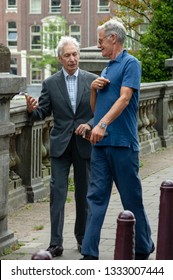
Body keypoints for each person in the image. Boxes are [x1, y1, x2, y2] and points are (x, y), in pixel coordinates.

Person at [80, 18, 155, 260]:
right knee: (95, 198)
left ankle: (143, 246)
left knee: (131, 197)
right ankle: (89, 253)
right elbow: (96, 110)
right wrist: (93, 90)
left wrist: (101, 125)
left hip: (123, 144)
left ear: (114, 38)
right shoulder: (105, 69)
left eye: (101, 39)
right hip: (100, 145)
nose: (98, 44)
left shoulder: (131, 64)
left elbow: (124, 99)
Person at [25, 36, 98, 257]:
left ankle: (83, 238)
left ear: (79, 56)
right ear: (59, 59)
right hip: (59, 147)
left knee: (83, 194)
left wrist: (90, 125)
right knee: (57, 194)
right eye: (67, 55)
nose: (72, 59)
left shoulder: (93, 80)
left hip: (84, 144)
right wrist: (31, 109)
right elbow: (42, 113)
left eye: (75, 54)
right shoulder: (50, 83)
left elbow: (102, 112)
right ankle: (55, 243)